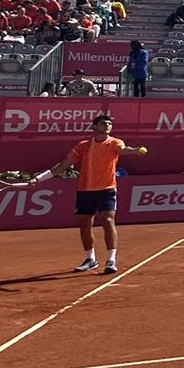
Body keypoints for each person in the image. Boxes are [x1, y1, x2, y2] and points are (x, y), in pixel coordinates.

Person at [45, 111, 149, 274]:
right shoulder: (83, 146)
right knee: (85, 224)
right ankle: (90, 259)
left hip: (107, 189)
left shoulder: (115, 142)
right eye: (103, 123)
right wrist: (39, 179)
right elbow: (64, 164)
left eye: (109, 124)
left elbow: (123, 150)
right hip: (85, 190)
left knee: (108, 220)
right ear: (94, 127)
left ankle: (111, 260)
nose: (107, 126)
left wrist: (134, 150)